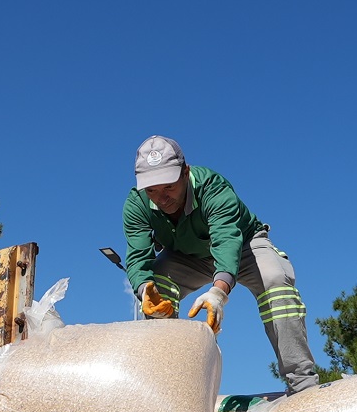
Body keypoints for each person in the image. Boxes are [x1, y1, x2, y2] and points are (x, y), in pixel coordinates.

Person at [123, 135, 319, 394]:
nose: (161, 198)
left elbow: (227, 239)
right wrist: (144, 288)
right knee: (157, 288)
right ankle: (166, 392)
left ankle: (303, 385)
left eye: (168, 187)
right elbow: (138, 257)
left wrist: (218, 292)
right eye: (152, 190)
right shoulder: (137, 204)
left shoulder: (212, 187)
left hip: (245, 245)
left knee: (274, 280)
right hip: (185, 257)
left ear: (185, 172)